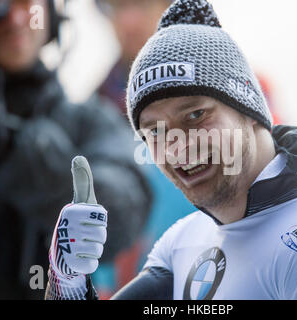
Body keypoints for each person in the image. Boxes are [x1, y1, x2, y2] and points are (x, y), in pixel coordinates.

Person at [45, 0, 297, 300]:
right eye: (155, 131)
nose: (177, 146)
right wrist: (68, 279)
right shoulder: (182, 240)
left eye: (195, 115)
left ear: (248, 109)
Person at [0, 0, 151, 299]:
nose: (15, 17)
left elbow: (123, 215)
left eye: (26, 2)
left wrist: (8, 150)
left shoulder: (86, 121)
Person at [94, 0, 196, 296]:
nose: (128, 22)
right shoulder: (85, 116)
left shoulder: (246, 92)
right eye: (117, 7)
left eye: (140, 4)